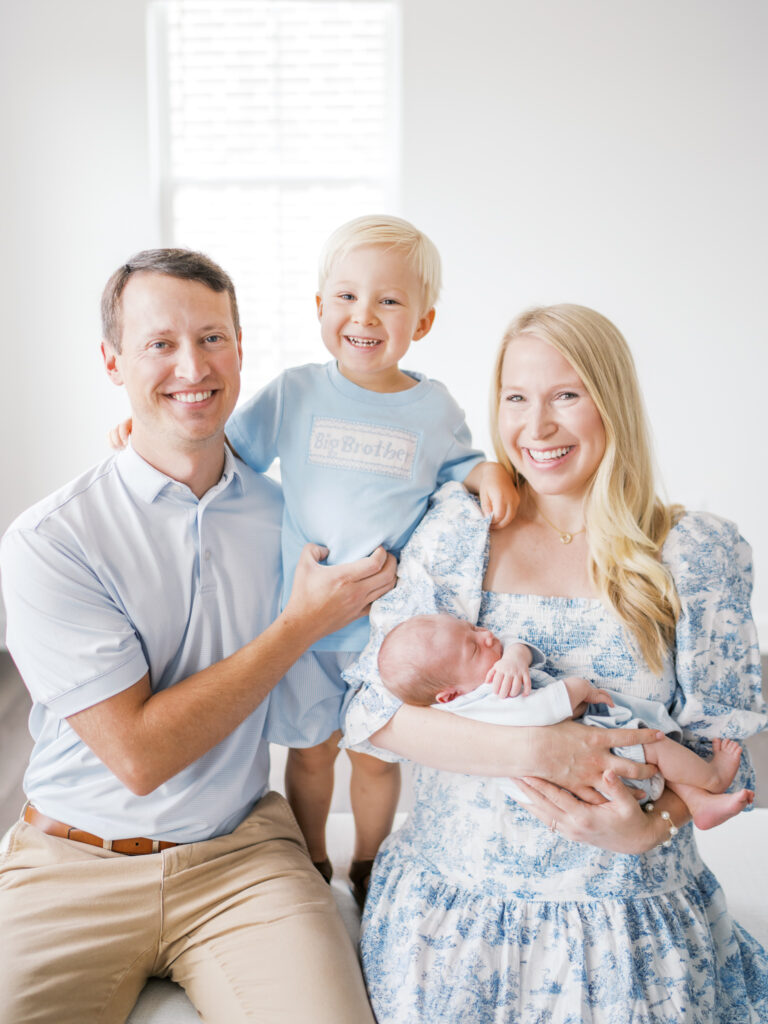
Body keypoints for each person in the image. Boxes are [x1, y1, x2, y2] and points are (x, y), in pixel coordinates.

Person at [0, 249, 397, 1024]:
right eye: (160, 343)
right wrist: (298, 626)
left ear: (240, 351)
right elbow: (138, 757)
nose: (193, 366)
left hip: (240, 855)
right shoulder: (52, 539)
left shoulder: (292, 519)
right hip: (70, 863)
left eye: (212, 338)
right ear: (113, 362)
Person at [340, 303, 768, 1022]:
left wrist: (653, 827)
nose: (535, 428)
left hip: (629, 922)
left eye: (565, 395)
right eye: (516, 398)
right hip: (454, 924)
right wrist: (540, 749)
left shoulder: (692, 552)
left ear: (613, 402)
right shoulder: (460, 530)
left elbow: (734, 751)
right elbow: (372, 711)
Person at [110, 215, 518, 904]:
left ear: (422, 322)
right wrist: (148, 433)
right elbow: (224, 448)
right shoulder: (296, 392)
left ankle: (369, 863)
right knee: (309, 752)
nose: (365, 315)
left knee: (377, 756)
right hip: (303, 622)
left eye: (390, 300)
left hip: (388, 629)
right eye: (347, 297)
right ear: (320, 307)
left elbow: (460, 464)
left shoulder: (433, 407)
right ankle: (312, 859)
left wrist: (488, 473)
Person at [378, 612, 754, 829]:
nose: (488, 635)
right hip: (595, 772)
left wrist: (514, 657)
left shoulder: (470, 685)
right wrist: (580, 687)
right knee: (654, 745)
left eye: (473, 627)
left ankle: (698, 802)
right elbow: (542, 710)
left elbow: (513, 643)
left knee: (657, 763)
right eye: (474, 646)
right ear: (449, 695)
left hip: (588, 768)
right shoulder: (485, 700)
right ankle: (712, 778)